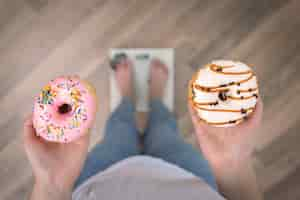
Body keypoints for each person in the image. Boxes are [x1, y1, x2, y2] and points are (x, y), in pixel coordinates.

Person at [23, 58, 263, 200]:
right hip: (191, 178)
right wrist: (232, 167)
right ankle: (155, 96)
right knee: (164, 130)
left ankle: (128, 96)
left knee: (119, 128)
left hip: (96, 182)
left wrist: (51, 184)